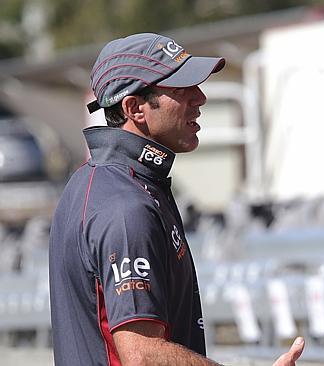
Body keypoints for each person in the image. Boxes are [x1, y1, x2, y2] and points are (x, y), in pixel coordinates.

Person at [48, 33, 304, 366]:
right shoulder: (124, 206)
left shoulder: (102, 185)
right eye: (180, 90)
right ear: (134, 108)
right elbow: (143, 355)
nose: (199, 98)